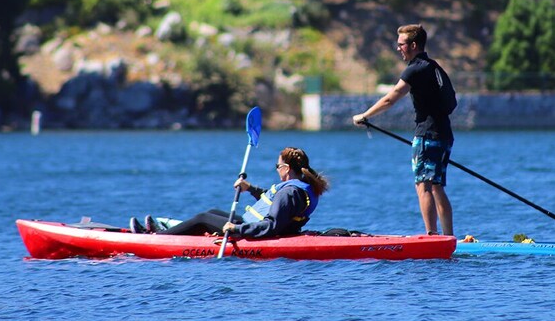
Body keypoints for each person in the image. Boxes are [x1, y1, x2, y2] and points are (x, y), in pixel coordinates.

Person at [352, 24, 455, 236]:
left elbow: (391, 98)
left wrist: (365, 116)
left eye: (401, 45)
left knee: (423, 185)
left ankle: (432, 236)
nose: (398, 48)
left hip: (427, 135)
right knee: (436, 186)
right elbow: (452, 102)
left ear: (413, 45)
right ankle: (448, 236)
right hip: (444, 134)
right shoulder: (435, 67)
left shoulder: (415, 69)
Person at [129, 147, 330, 239]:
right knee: (213, 212)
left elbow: (271, 226)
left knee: (202, 218)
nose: (276, 169)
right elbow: (270, 200)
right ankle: (176, 232)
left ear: (286, 168)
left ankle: (158, 238)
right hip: (249, 223)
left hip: (252, 229)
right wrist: (249, 188)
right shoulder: (298, 186)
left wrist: (235, 229)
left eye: (277, 166)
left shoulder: (290, 193)